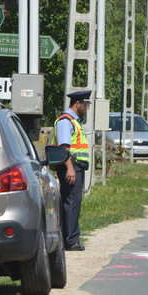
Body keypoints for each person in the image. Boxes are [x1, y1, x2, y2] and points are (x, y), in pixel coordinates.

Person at [51, 90, 91, 251]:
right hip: (71, 167)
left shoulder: (74, 121)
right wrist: (70, 169)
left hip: (75, 167)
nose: (87, 107)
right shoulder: (65, 121)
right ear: (77, 104)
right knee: (71, 202)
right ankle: (70, 241)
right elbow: (64, 148)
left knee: (73, 202)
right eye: (85, 104)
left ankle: (70, 238)